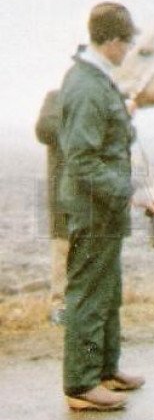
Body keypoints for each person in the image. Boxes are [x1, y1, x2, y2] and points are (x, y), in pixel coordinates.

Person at [58, 2, 154, 411]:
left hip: (104, 208)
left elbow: (105, 141)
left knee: (108, 290)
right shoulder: (87, 86)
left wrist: (123, 113)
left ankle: (105, 370)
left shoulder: (98, 81)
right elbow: (83, 161)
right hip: (92, 209)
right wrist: (136, 194)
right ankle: (81, 385)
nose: (127, 52)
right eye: (126, 43)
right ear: (111, 42)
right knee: (88, 293)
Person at [35, 90, 69, 324]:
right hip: (63, 192)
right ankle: (60, 306)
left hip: (96, 193)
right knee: (63, 248)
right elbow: (43, 129)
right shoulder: (56, 98)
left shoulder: (103, 99)